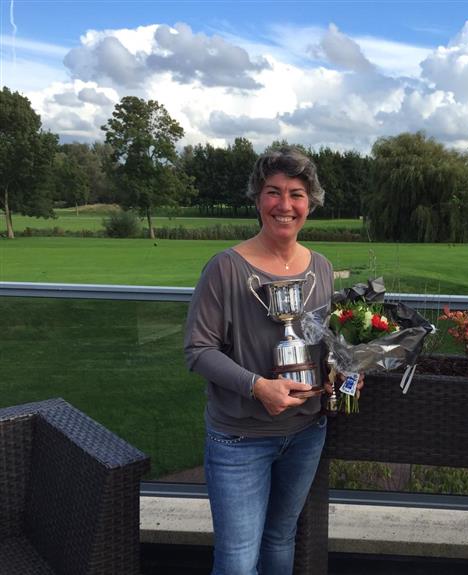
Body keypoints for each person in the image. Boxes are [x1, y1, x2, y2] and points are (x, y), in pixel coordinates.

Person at [184, 147, 335, 575]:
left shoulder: (320, 267)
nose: (284, 206)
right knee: (236, 562)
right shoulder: (225, 268)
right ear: (257, 198)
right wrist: (258, 387)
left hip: (306, 432)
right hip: (240, 439)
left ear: (310, 203)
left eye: (297, 194)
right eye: (273, 192)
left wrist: (344, 370)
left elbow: (319, 342)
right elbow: (198, 350)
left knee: (280, 540)